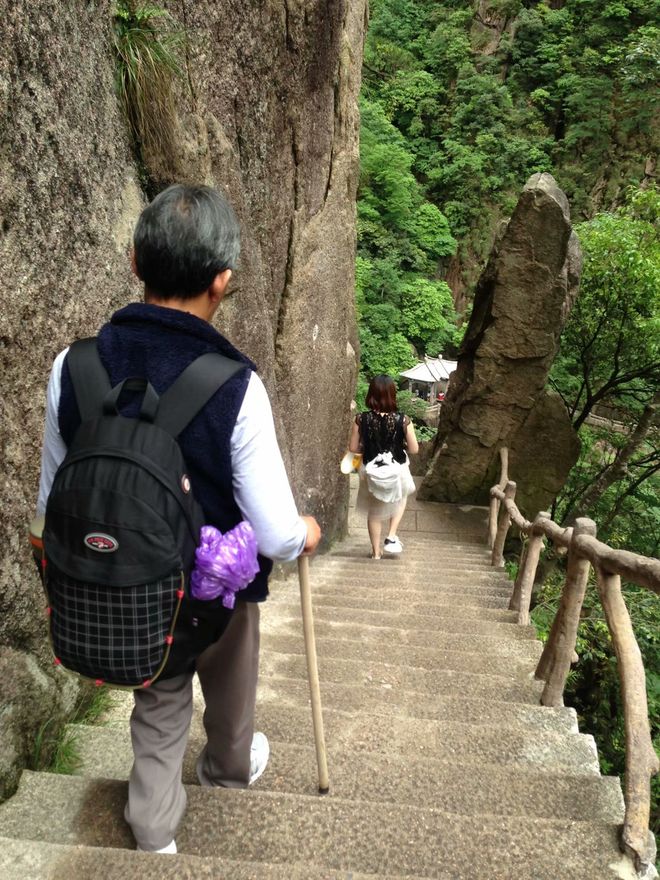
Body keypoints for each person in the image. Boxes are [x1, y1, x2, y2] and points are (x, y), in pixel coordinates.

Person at [35, 183, 321, 854]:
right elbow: (277, 535)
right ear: (223, 282)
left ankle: (155, 831)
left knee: (159, 705)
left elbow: (49, 507)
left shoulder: (70, 367)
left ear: (134, 261)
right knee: (230, 673)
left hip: (126, 590)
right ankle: (227, 764)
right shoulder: (236, 388)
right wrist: (306, 531)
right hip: (212, 596)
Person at [349, 375, 418, 559]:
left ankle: (376, 553)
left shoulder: (360, 419)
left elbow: (353, 448)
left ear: (371, 394)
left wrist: (367, 446)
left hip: (371, 469)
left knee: (374, 511)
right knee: (402, 496)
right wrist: (398, 444)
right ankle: (391, 535)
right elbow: (414, 448)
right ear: (392, 395)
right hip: (397, 468)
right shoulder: (403, 420)